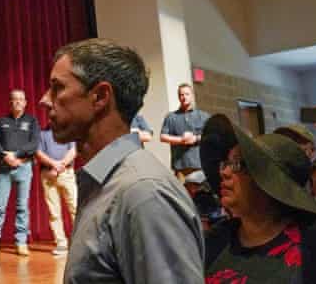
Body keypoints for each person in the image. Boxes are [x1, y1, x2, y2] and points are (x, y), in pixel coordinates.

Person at [47, 38, 203, 283]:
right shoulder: (106, 182)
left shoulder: (144, 194)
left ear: (99, 97)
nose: (45, 100)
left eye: (57, 88)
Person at [200, 114, 316, 283]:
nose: (224, 172)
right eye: (226, 163)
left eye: (238, 164)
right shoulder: (216, 239)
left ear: (269, 184)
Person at [0, 89, 40, 256]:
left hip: (24, 167)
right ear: (10, 102)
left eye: (21, 99)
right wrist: (5, 156)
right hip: (5, 169)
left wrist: (17, 155)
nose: (18, 102)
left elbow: (34, 143)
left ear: (26, 102)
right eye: (14, 99)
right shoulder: (2, 121)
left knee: (22, 207)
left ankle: (21, 242)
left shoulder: (32, 121)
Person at [35, 91, 77, 258]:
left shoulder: (68, 130)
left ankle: (78, 242)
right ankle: (61, 243)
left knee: (74, 207)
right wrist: (53, 165)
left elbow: (74, 149)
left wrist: (61, 166)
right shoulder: (42, 132)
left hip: (66, 173)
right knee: (54, 211)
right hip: (48, 174)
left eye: (54, 110)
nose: (52, 114)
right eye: (49, 111)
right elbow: (38, 153)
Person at [160, 83, 210, 178]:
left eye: (187, 94)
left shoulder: (203, 116)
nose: (184, 97)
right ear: (178, 97)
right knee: (182, 192)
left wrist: (195, 138)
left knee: (201, 192)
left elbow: (210, 135)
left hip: (200, 165)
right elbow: (163, 137)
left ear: (192, 95)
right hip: (180, 167)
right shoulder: (171, 117)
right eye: (181, 95)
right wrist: (181, 140)